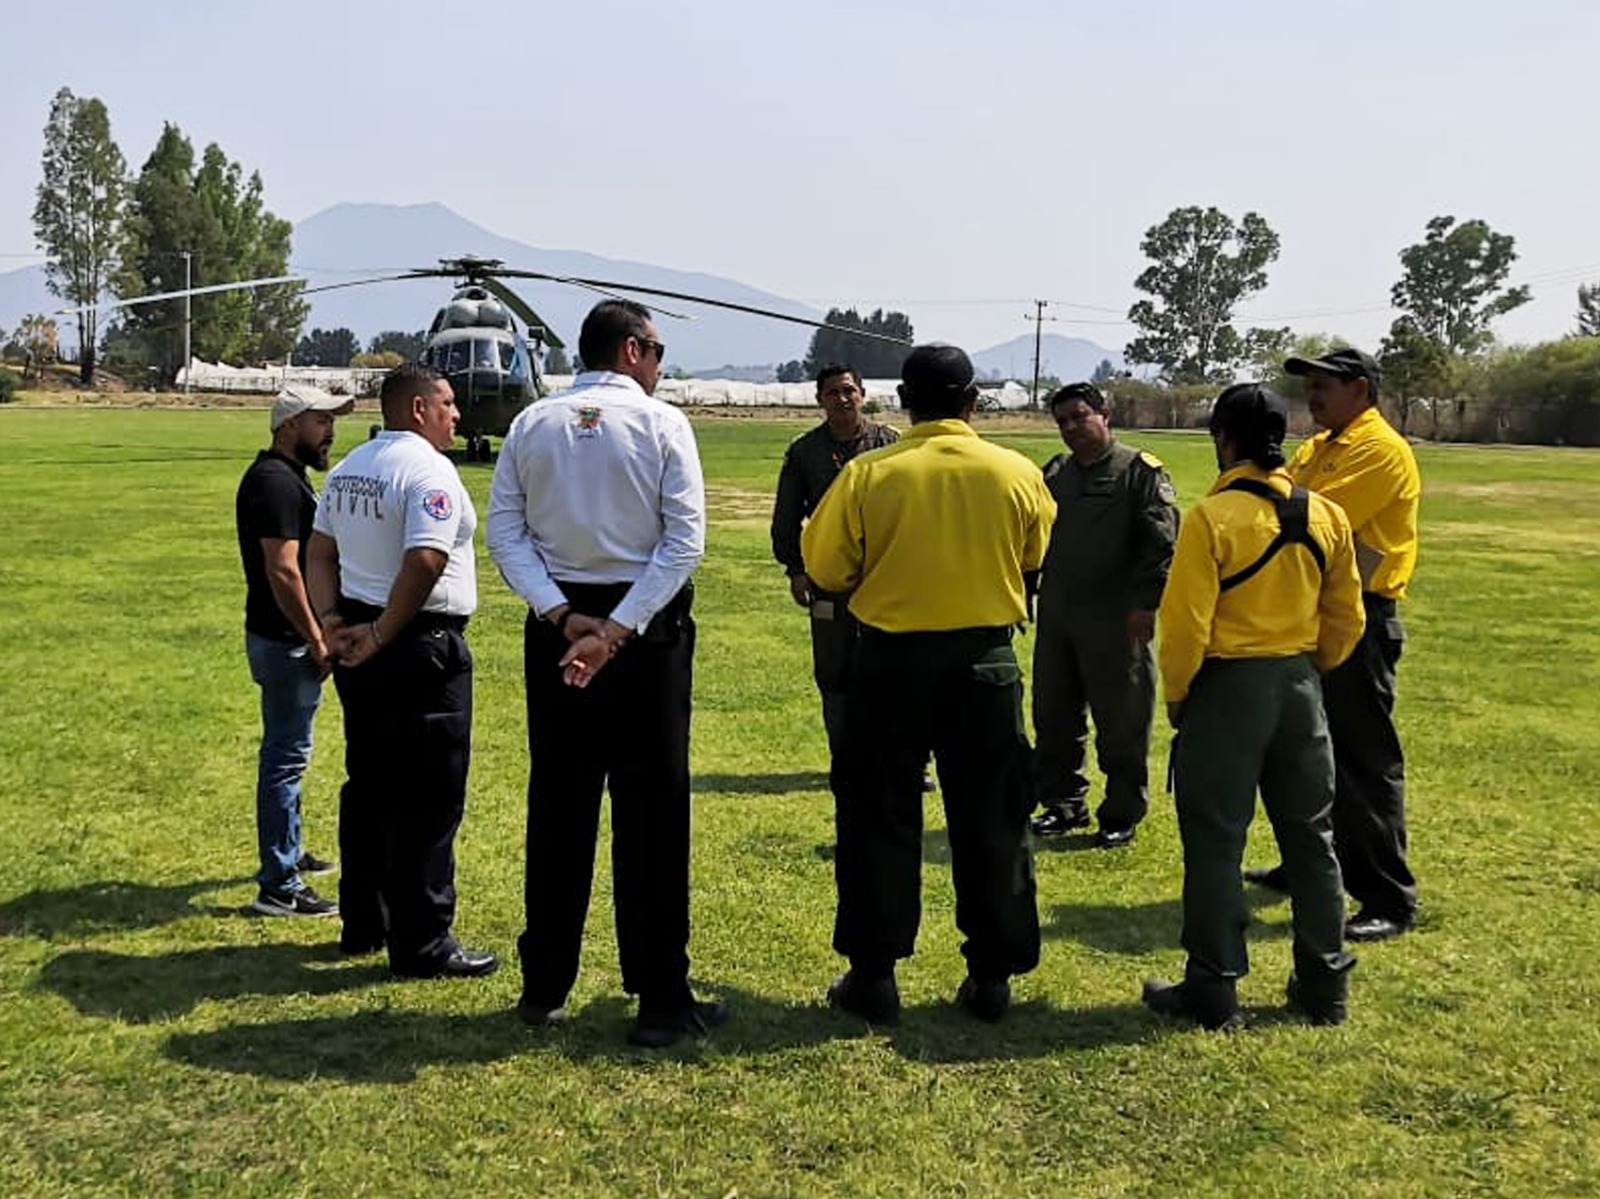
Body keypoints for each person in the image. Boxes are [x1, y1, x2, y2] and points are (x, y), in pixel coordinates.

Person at [486, 299, 724, 1049]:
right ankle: (659, 996)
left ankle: (544, 983)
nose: (659, 364)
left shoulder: (532, 422)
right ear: (630, 350)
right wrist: (619, 629)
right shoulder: (662, 423)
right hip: (643, 634)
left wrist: (563, 618)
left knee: (559, 802)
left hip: (562, 630)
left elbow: (505, 533)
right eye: (655, 348)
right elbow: (683, 541)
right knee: (653, 811)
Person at [801, 343, 1056, 1025]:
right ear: (973, 401)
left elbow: (825, 564)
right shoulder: (1020, 472)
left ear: (904, 404)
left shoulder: (867, 473)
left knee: (877, 814)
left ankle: (874, 973)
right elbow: (1035, 555)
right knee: (994, 818)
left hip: (891, 663)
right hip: (985, 662)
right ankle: (992, 974)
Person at [1142, 383, 1365, 1031]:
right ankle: (1325, 983)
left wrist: (1180, 696)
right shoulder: (1326, 515)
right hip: (1299, 687)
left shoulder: (1212, 519)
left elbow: (1184, 626)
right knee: (1312, 838)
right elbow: (1347, 617)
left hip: (1227, 688)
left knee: (1215, 842)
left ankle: (1213, 985)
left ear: (1224, 438)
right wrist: (1309, 667)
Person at [305, 363, 497, 980]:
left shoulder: (349, 468)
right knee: (429, 797)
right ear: (418, 409)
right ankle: (422, 942)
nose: (456, 415)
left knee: (369, 786)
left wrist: (333, 618)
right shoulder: (429, 471)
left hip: (360, 638)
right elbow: (425, 558)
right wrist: (386, 631)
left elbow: (319, 550)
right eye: (446, 403)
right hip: (417, 644)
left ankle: (365, 921)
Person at [1244, 348, 1423, 943]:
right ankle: (1308, 864)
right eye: (1310, 385)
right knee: (1306, 752)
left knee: (1362, 759)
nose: (1313, 396)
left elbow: (1308, 516)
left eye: (1324, 385)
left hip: (1360, 618)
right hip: (1313, 609)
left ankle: (1386, 897)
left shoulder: (1381, 450)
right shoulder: (1320, 446)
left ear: (1362, 390)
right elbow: (1287, 499)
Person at [1029, 382, 1178, 848]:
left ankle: (1121, 811)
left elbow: (1162, 543)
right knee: (1054, 716)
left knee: (1122, 721)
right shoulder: (1055, 473)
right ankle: (1062, 803)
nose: (1071, 428)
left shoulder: (1138, 471)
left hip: (1117, 619)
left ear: (1104, 414)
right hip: (1059, 616)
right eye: (1063, 422)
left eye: (1079, 416)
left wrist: (1145, 604)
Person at [236, 384, 352, 917]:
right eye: (320, 421)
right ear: (289, 427)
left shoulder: (285, 478)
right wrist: (317, 636)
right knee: (284, 758)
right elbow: (282, 570)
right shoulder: (276, 484)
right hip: (286, 644)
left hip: (283, 640)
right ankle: (279, 886)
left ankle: (291, 851)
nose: (330, 431)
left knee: (291, 752)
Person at [771, 363, 899, 758]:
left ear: (863, 394)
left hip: (887, 579)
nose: (842, 399)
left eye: (849, 391)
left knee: (896, 667)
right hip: (828, 579)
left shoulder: (890, 444)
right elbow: (786, 517)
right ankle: (845, 755)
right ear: (819, 400)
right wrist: (795, 570)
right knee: (834, 670)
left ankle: (906, 756)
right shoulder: (804, 452)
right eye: (833, 393)